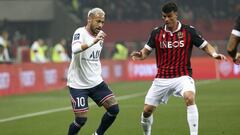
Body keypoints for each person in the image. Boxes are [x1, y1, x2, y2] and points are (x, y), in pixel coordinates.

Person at [130, 2, 226, 135]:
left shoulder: (189, 31)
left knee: (189, 97)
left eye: (169, 16)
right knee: (147, 111)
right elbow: (145, 52)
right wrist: (139, 55)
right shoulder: (156, 33)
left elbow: (205, 45)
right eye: (164, 17)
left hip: (182, 75)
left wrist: (214, 54)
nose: (166, 19)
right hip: (162, 78)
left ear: (176, 14)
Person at [67, 8, 119, 135]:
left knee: (114, 109)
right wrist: (92, 41)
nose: (100, 25)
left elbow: (94, 58)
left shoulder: (101, 35)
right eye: (98, 21)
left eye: (102, 22)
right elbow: (75, 49)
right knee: (81, 119)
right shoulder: (80, 32)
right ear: (89, 19)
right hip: (78, 84)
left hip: (95, 81)